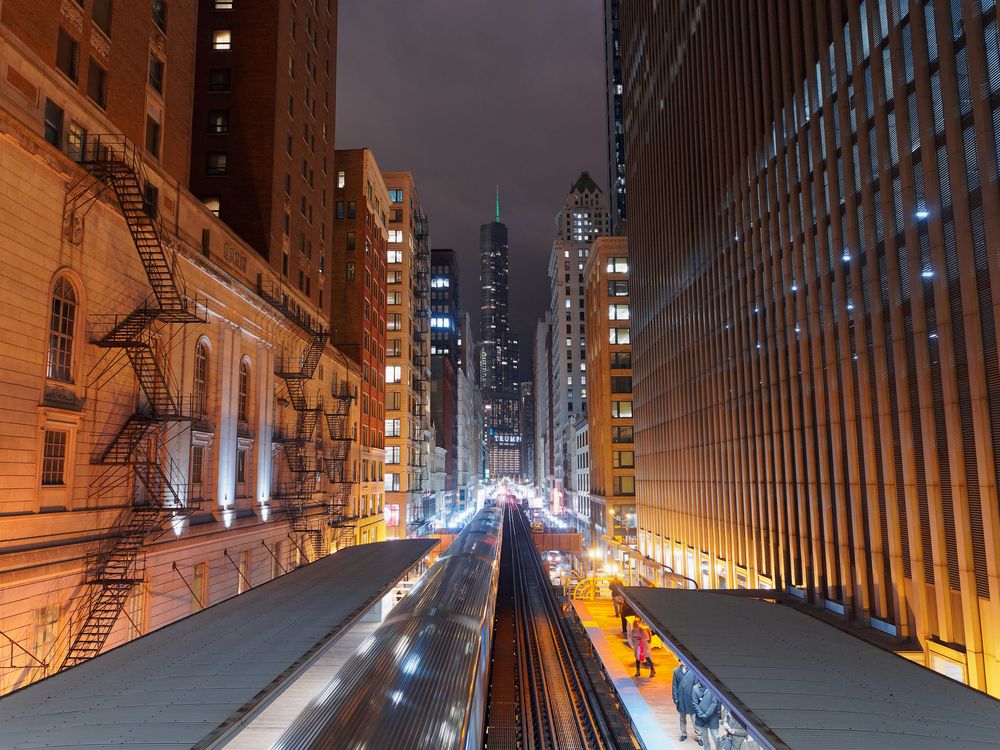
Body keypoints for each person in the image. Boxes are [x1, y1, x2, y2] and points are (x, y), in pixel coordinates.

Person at [692, 680, 720, 749]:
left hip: (712, 717)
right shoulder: (695, 688)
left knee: (716, 737)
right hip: (701, 718)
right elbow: (694, 703)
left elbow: (714, 703)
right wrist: (702, 715)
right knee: (704, 738)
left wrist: (706, 715)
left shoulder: (713, 687)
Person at [672, 663, 696, 741]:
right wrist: (675, 697)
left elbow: (696, 685)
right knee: (682, 718)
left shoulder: (693, 670)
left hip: (690, 698)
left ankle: (699, 735)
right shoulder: (676, 671)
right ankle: (683, 733)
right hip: (681, 698)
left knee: (694, 718)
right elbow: (674, 685)